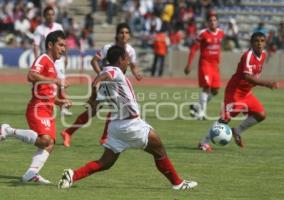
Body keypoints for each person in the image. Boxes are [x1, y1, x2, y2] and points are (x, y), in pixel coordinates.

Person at [58, 45, 198, 190]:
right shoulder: (115, 71)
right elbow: (101, 78)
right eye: (127, 59)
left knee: (106, 162)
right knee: (159, 150)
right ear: (120, 59)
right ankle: (177, 183)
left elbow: (100, 88)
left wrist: (93, 97)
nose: (128, 62)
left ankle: (73, 175)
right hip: (130, 125)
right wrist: (94, 88)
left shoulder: (108, 80)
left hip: (116, 126)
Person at [0, 30, 72, 183]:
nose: (63, 49)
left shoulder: (53, 65)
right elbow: (31, 75)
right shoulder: (44, 58)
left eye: (64, 46)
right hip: (38, 108)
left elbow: (46, 93)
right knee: (45, 140)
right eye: (60, 45)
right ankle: (7, 131)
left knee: (49, 144)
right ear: (50, 45)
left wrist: (60, 102)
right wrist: (55, 81)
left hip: (47, 109)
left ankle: (31, 173)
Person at [61, 22, 143, 147]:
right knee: (97, 110)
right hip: (106, 81)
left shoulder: (130, 51)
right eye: (121, 32)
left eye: (126, 33)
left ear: (130, 36)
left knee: (112, 108)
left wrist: (137, 74)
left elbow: (132, 66)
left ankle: (73, 133)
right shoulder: (108, 48)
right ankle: (71, 133)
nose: (124, 35)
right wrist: (101, 75)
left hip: (117, 84)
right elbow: (94, 61)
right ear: (117, 35)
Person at [198, 32, 278, 152]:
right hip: (235, 92)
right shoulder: (248, 55)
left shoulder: (263, 55)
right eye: (257, 41)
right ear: (251, 43)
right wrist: (267, 84)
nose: (260, 44)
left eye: (262, 41)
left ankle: (237, 131)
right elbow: (247, 76)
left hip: (246, 92)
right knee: (225, 119)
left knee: (261, 115)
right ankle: (203, 142)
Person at [184, 14, 224, 120]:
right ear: (207, 22)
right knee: (206, 87)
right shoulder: (203, 34)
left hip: (215, 65)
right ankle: (201, 113)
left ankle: (196, 106)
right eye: (210, 20)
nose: (212, 22)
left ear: (217, 22)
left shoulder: (221, 33)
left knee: (215, 90)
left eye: (214, 20)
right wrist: (189, 64)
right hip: (205, 63)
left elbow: (219, 48)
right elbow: (194, 49)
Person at [33, 6, 72, 116]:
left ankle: (63, 107)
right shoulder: (39, 29)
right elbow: (35, 45)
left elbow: (64, 42)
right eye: (48, 14)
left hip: (58, 60)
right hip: (46, 59)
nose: (50, 16)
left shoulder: (58, 26)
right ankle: (43, 104)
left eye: (52, 14)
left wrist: (66, 56)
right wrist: (37, 58)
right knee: (46, 83)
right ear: (44, 16)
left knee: (62, 83)